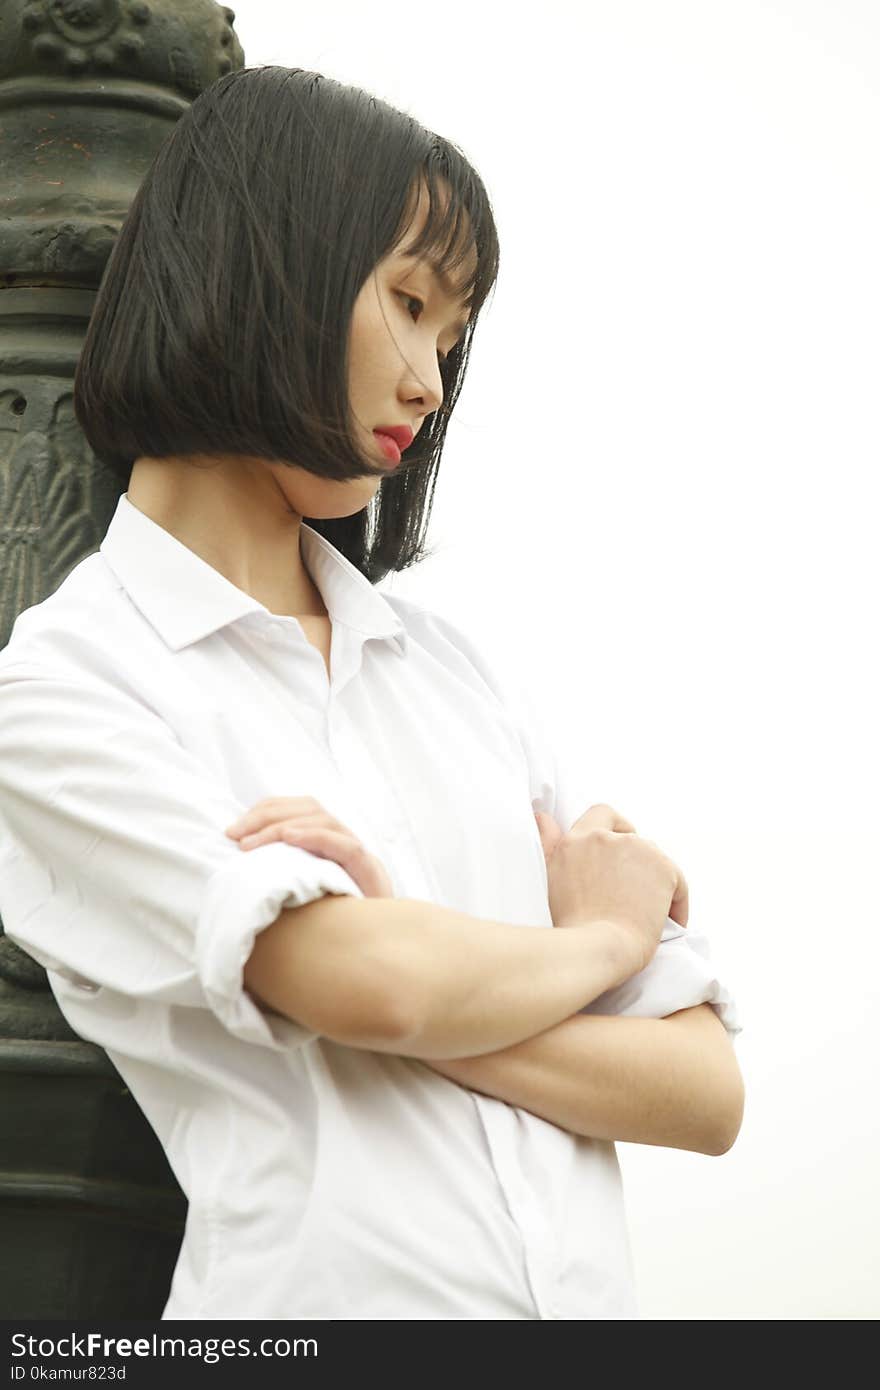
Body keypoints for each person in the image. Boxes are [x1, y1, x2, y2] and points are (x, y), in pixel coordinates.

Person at [0, 65, 743, 1320]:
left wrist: (403, 971)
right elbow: (378, 985)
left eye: (450, 338)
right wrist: (596, 943)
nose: (430, 384)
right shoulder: (63, 688)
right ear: (257, 262)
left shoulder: (458, 677)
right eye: (407, 303)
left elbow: (702, 1092)